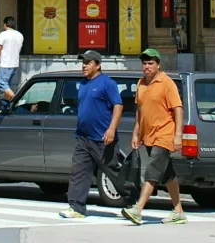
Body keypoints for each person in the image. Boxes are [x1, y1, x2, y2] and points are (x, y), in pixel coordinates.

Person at [122, 49, 186, 226]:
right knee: (167, 175)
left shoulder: (167, 83)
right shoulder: (141, 83)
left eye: (150, 63)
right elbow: (140, 112)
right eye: (144, 63)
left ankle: (137, 210)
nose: (147, 66)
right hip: (148, 136)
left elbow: (178, 109)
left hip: (164, 135)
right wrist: (136, 133)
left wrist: (178, 135)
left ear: (158, 65)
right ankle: (179, 212)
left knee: (152, 171)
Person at [58, 51, 122, 220]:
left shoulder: (107, 83)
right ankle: (76, 207)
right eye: (83, 63)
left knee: (113, 171)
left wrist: (111, 129)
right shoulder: (83, 84)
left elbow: (118, 105)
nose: (84, 66)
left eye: (88, 63)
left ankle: (133, 201)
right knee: (79, 172)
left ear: (98, 65)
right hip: (83, 138)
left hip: (102, 138)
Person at [0, 16, 24, 102]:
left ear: (5, 24)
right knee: (7, 86)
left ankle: (16, 100)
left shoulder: (3, 34)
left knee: (2, 84)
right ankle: (7, 107)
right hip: (15, 64)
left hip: (6, 64)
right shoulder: (20, 35)